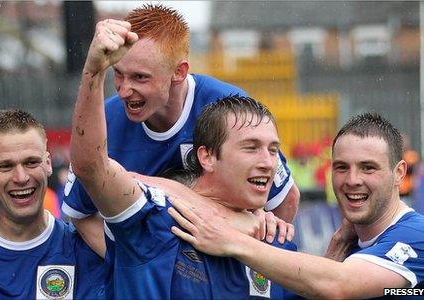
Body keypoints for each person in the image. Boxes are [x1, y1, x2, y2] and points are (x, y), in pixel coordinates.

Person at [71, 60, 297, 300]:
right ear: (206, 157)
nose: (267, 162)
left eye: (273, 150)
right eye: (250, 148)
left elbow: (334, 284)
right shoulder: (150, 220)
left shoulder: (276, 240)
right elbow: (94, 171)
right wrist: (94, 70)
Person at [62, 3, 299, 228]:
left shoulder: (233, 110)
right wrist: (132, 267)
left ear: (179, 71)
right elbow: (80, 216)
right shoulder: (105, 121)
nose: (123, 90)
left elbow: (285, 200)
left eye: (140, 77)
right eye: (119, 74)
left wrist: (249, 264)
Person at [167, 112, 424, 298]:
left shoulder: (421, 236)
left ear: (399, 173)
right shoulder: (349, 247)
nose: (352, 180)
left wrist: (231, 240)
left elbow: (341, 285)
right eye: (341, 167)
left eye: (368, 168)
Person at [0, 109, 107, 299]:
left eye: (31, 162)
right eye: (5, 166)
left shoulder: (84, 252)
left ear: (48, 163)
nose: (21, 177)